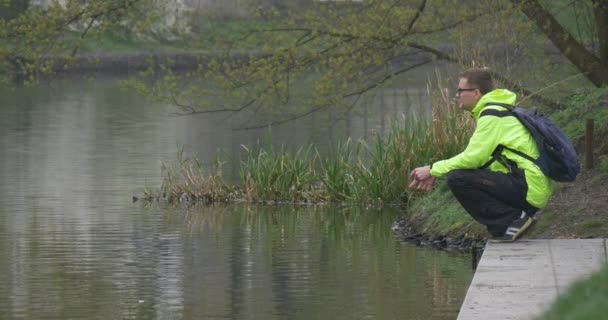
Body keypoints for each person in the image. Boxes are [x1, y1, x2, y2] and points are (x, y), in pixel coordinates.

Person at [408, 68, 552, 242]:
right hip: (528, 186)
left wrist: (432, 169)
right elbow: (483, 162)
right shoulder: (496, 110)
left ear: (476, 93)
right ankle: (511, 222)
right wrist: (436, 173)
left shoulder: (492, 115)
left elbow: (473, 158)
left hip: (528, 187)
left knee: (458, 178)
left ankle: (512, 221)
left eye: (460, 90)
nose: (456, 95)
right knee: (462, 175)